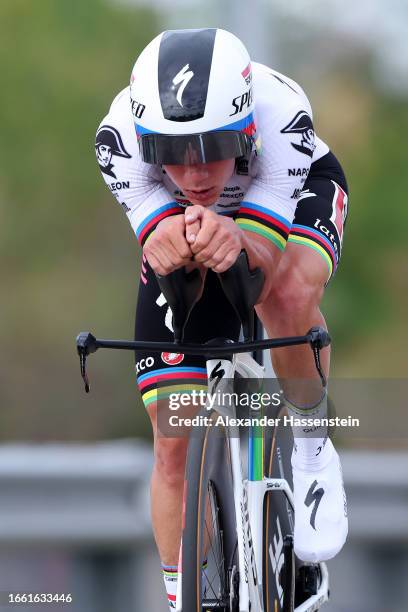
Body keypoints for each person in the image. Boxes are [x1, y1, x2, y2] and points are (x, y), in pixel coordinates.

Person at [95, 28, 348, 610]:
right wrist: (164, 239)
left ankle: (312, 451)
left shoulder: (284, 115)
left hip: (290, 191)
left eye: (213, 146)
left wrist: (233, 240)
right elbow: (164, 243)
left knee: (285, 295)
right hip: (193, 225)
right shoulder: (118, 143)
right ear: (145, 142)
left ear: (246, 128)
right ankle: (181, 594)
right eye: (172, 155)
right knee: (171, 442)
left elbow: (258, 265)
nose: (194, 172)